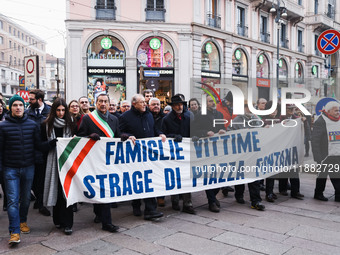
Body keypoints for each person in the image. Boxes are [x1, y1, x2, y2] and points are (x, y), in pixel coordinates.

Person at [0, 95, 41, 245]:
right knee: (12, 201)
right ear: (10, 107)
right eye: (15, 105)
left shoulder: (32, 125)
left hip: (28, 168)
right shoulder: (2, 126)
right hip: (10, 169)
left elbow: (38, 146)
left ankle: (23, 221)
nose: (18, 107)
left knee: (25, 200)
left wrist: (53, 144)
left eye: (21, 105)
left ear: (24, 107)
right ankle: (14, 231)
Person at [78, 93, 120, 232]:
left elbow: (118, 136)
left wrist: (124, 137)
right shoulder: (88, 118)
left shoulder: (114, 119)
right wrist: (89, 137)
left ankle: (106, 221)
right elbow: (80, 137)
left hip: (108, 161)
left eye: (105, 102)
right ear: (96, 103)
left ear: (109, 104)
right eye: (100, 101)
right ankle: (100, 215)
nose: (103, 104)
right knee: (98, 188)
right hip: (93, 160)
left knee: (105, 189)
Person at [119, 94, 165, 220]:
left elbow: (154, 128)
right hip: (133, 156)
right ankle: (136, 205)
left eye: (145, 102)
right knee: (136, 182)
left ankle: (151, 210)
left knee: (149, 181)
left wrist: (160, 134)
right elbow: (119, 132)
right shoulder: (125, 117)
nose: (145, 104)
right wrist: (127, 136)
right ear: (134, 104)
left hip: (148, 156)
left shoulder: (149, 115)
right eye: (142, 103)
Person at [42, 98, 75, 235]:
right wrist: (53, 143)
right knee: (56, 190)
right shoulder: (46, 125)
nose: (61, 113)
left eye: (63, 110)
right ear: (54, 110)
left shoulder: (71, 123)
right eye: (58, 110)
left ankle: (68, 224)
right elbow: (40, 146)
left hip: (68, 162)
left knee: (67, 192)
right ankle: (58, 220)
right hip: (52, 162)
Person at [228, 100, 265, 211]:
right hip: (241, 153)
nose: (250, 109)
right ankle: (239, 195)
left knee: (254, 178)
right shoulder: (237, 120)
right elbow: (229, 133)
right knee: (240, 176)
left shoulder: (256, 119)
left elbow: (262, 132)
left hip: (253, 153)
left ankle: (256, 201)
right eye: (248, 107)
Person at [162, 94, 196, 214]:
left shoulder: (189, 116)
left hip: (186, 152)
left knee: (187, 176)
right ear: (173, 106)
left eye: (181, 104)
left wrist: (194, 136)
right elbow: (163, 134)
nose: (179, 106)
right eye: (177, 105)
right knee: (175, 176)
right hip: (173, 152)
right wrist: (172, 136)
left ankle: (188, 203)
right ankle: (175, 200)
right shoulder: (166, 119)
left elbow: (194, 130)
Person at [193, 95, 226, 213]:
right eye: (210, 101)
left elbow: (222, 127)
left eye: (214, 101)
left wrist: (223, 131)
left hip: (218, 148)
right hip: (206, 149)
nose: (213, 103)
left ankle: (214, 195)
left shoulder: (220, 115)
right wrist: (205, 133)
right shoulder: (200, 115)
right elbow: (193, 131)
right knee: (209, 175)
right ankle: (211, 201)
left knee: (220, 174)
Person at [26, 89, 51, 217]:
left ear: (39, 100)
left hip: (46, 150)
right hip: (31, 151)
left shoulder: (50, 112)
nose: (29, 101)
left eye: (31, 99)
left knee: (41, 179)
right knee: (33, 180)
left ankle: (41, 204)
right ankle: (39, 199)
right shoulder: (27, 112)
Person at [312, 101, 340, 202]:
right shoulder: (320, 121)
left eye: (339, 110)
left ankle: (338, 195)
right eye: (336, 110)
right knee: (322, 176)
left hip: (337, 153)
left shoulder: (339, 120)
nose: (338, 112)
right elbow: (315, 141)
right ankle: (318, 194)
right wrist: (318, 158)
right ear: (328, 111)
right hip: (325, 155)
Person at [279, 104, 304, 200]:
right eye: (289, 109)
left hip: (293, 146)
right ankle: (283, 189)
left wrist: (303, 121)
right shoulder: (280, 118)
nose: (291, 110)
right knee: (284, 168)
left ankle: (295, 191)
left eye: (293, 109)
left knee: (294, 170)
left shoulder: (297, 118)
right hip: (282, 146)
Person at [148, 97, 167, 206]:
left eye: (158, 104)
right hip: (148, 150)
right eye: (153, 104)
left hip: (161, 150)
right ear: (149, 105)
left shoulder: (165, 117)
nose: (156, 106)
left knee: (161, 173)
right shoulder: (146, 116)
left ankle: (161, 197)